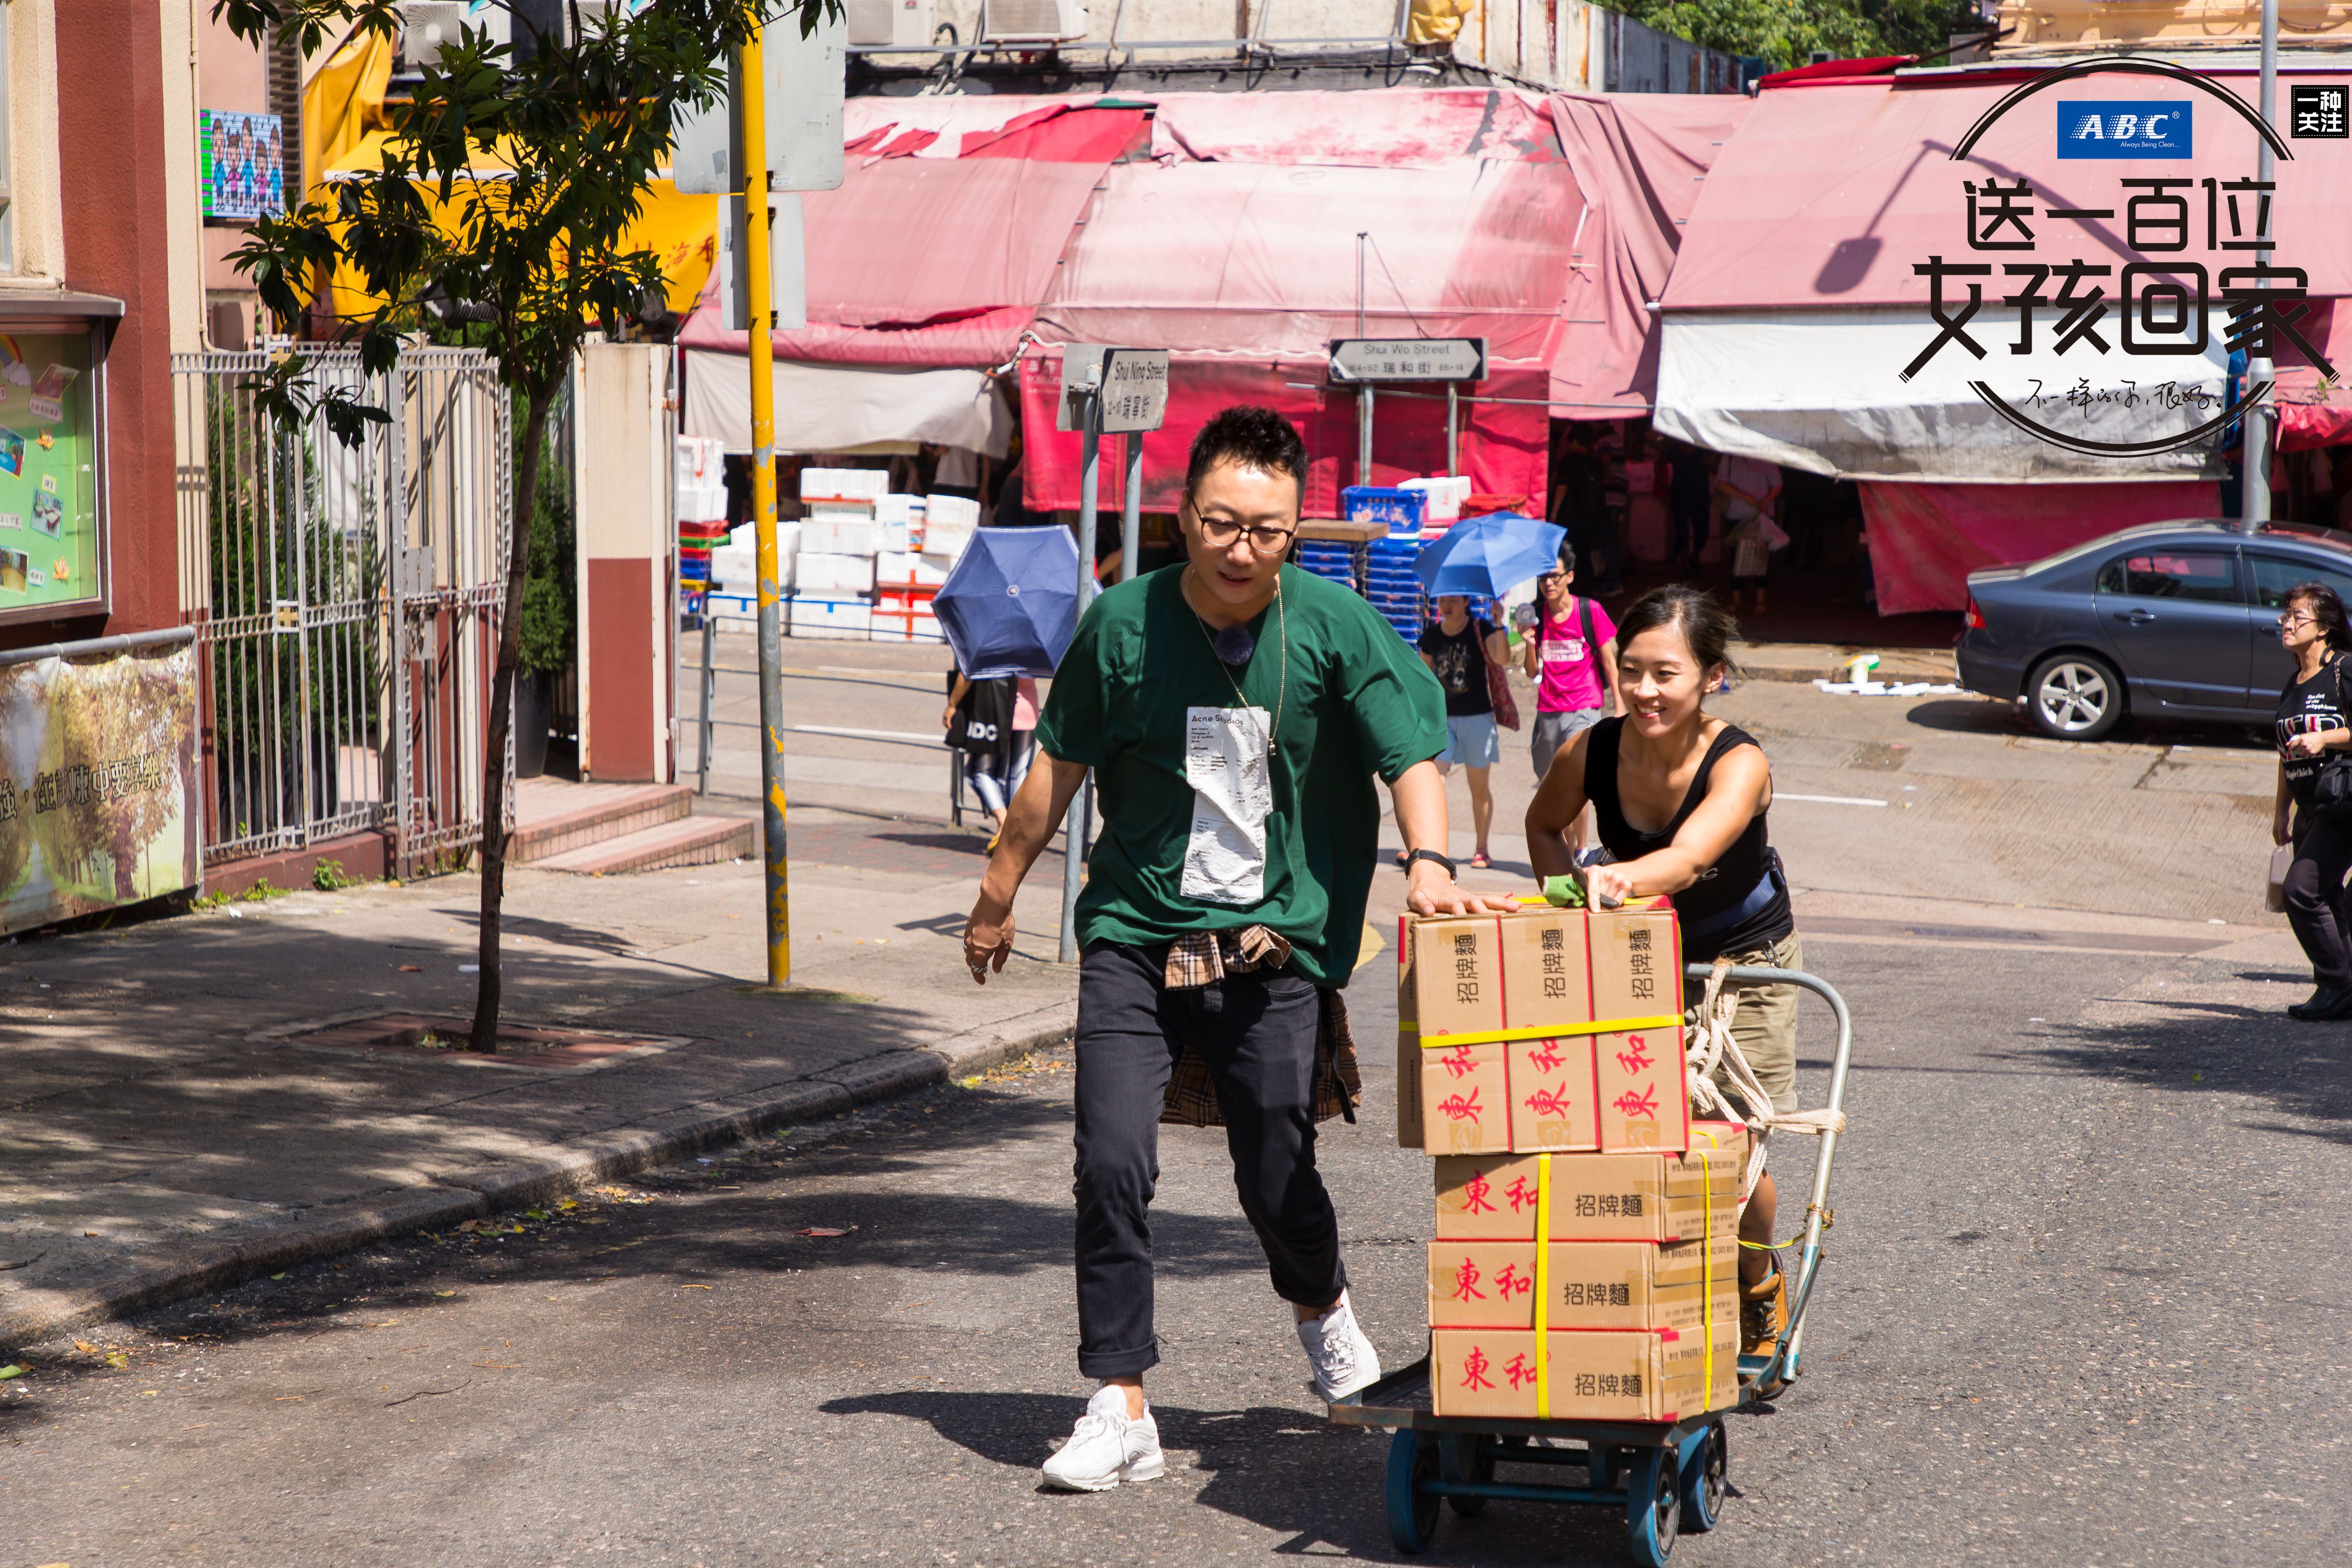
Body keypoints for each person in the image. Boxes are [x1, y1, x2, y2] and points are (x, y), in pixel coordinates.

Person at [960, 406, 1514, 1494]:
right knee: (1110, 1161)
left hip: (1274, 949)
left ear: (1294, 529)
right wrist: (993, 894)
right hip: (1134, 937)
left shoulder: (1333, 624)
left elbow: (1410, 750)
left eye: (1265, 529)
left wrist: (1432, 863)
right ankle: (1118, 1398)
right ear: (1184, 515)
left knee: (1277, 1173)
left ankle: (1323, 1305)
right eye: (1220, 521)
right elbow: (1053, 774)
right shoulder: (1121, 625)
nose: (1240, 546)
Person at [1521, 585, 1800, 1359]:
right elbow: (1543, 825)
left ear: (1709, 676)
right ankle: (1644, 1294)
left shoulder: (1738, 761)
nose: (1644, 691)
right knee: (1627, 1133)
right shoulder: (1591, 748)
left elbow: (1684, 860)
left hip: (1743, 960)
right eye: (1631, 671)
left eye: (1665, 674)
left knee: (1728, 1141)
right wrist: (1563, 901)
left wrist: (1610, 880)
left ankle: (1754, 1281)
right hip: (1638, 955)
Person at [2271, 582, 2352, 1020]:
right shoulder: (2293, 682)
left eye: (2297, 617)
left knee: (2301, 890)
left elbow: (2323, 738)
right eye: (2285, 616)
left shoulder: (2344, 669)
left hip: (2344, 802)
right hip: (2309, 807)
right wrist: (2281, 810)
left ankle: (2338, 985)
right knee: (2326, 898)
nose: (2287, 623)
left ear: (2323, 628)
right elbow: (2285, 750)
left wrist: (2325, 737)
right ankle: (2340, 984)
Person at [1411, 594, 1510, 870]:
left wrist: (1500, 623)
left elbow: (1501, 658)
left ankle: (1482, 849)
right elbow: (1423, 678)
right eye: (1443, 600)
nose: (1447, 605)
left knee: (1478, 788)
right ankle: (1425, 846)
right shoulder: (1431, 636)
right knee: (1434, 780)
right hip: (1443, 721)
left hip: (1478, 719)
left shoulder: (1481, 628)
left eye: (1453, 600)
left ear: (1466, 601)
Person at [1523, 544, 1622, 784]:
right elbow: (1531, 672)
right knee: (1552, 783)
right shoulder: (1537, 617)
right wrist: (1528, 643)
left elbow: (1610, 663)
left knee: (1578, 777)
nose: (1549, 583)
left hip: (1584, 705)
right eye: (1543, 578)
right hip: (1549, 707)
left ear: (1569, 577)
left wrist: (1620, 708)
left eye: (1555, 577)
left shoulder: (1590, 610)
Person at [943, 670, 1039, 848]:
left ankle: (1005, 822)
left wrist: (952, 704)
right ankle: (1014, 833)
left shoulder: (993, 642)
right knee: (1018, 773)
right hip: (1027, 710)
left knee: (979, 772)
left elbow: (969, 671)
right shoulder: (1033, 643)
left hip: (995, 710)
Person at [1714, 453, 1781, 617]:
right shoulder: (1729, 457)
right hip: (1736, 515)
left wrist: (1766, 501)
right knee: (1736, 558)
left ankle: (1760, 600)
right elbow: (1721, 484)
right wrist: (1746, 498)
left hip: (1761, 516)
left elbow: (1778, 484)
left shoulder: (1765, 456)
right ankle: (1736, 600)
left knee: (1762, 557)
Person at [1667, 439, 1713, 578]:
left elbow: (1716, 467)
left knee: (1703, 530)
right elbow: (1660, 463)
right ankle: (1685, 565)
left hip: (1701, 497)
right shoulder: (1675, 449)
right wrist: (1663, 484)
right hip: (1680, 497)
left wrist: (1709, 462)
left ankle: (1694, 557)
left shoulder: (1703, 448)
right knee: (1682, 532)